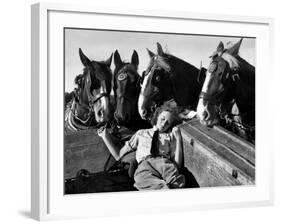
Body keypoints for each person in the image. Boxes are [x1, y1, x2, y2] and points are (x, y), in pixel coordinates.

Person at [97, 106, 185, 190]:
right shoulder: (141, 133)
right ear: (157, 116)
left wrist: (178, 138)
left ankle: (164, 189)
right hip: (144, 165)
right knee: (141, 180)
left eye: (168, 122)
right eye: (162, 119)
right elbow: (118, 155)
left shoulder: (169, 136)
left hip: (163, 163)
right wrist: (105, 137)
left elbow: (177, 164)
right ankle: (164, 189)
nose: (164, 123)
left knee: (176, 181)